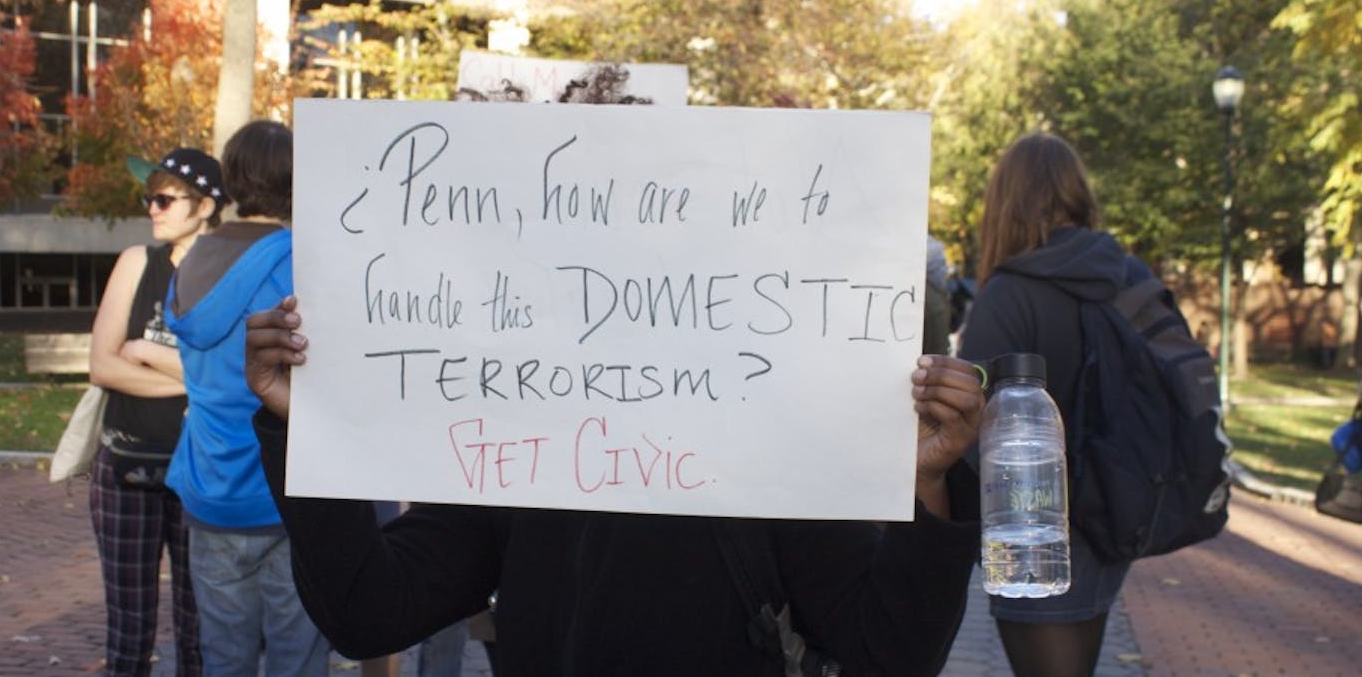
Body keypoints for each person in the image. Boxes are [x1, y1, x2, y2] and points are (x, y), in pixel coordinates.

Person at [244, 296, 988, 676]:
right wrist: (304, 429)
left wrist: (928, 486)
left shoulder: (778, 457)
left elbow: (887, 656)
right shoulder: (519, 455)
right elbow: (370, 613)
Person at [956, 132, 1152, 677]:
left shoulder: (1011, 291)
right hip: (1118, 509)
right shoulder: (1127, 273)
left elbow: (967, 427)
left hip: (1032, 526)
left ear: (1006, 201)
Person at [163, 120, 330, 677]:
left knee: (224, 659)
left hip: (209, 489)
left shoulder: (190, 261)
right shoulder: (302, 263)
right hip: (286, 490)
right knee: (297, 660)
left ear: (231, 178)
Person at [87, 147, 224, 676]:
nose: (154, 208)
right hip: (126, 466)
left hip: (200, 473)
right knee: (128, 633)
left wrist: (144, 351)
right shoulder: (135, 262)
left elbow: (228, 372)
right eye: (150, 198)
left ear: (206, 205)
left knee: (200, 632)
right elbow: (102, 365)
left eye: (166, 198)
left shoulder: (228, 274)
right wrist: (195, 381)